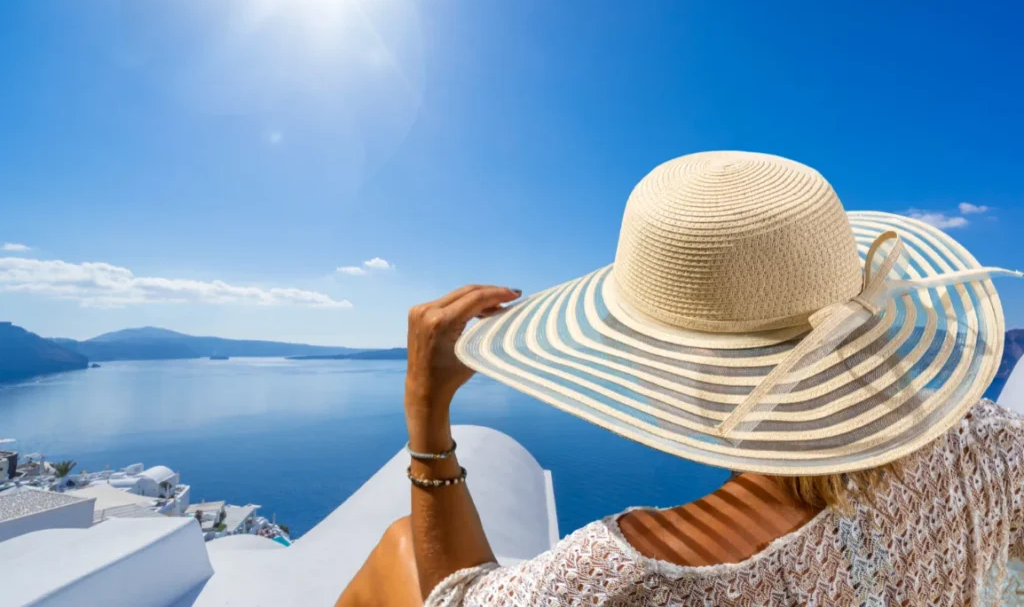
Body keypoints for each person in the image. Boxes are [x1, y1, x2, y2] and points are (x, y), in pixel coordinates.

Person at [338, 151, 1023, 607]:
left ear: (663, 362)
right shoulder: (990, 444)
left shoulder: (630, 579)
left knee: (400, 544)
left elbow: (456, 598)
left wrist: (426, 411)